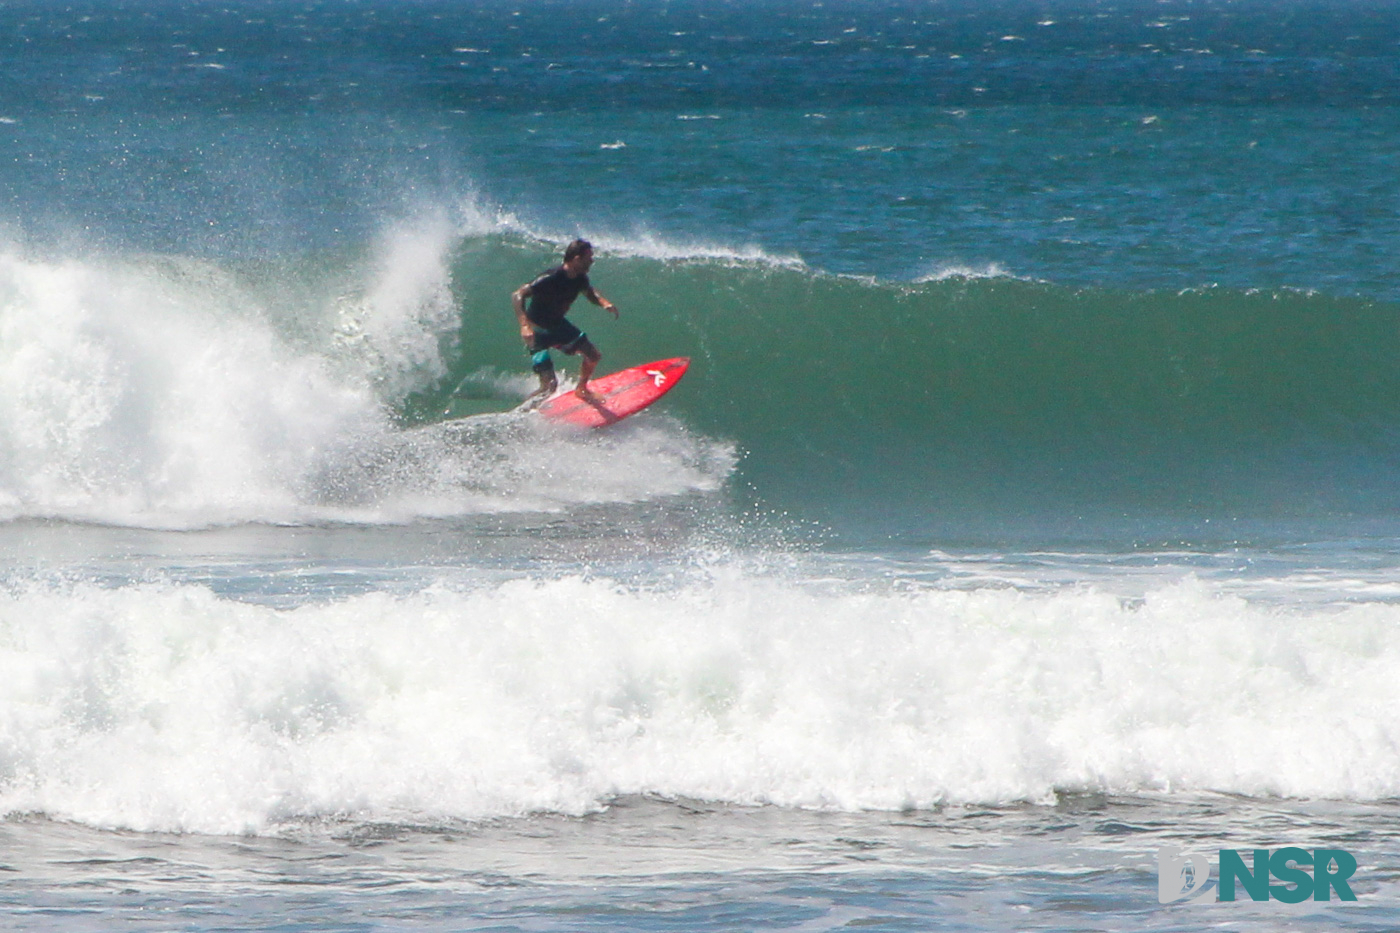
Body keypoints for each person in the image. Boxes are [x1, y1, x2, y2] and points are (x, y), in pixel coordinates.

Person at [512, 239, 618, 405]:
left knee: (593, 356)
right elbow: (518, 295)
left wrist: (604, 303)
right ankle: (524, 411)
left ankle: (582, 389)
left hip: (558, 326)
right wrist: (524, 326)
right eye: (588, 257)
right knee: (549, 386)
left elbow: (590, 293)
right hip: (537, 332)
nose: (592, 261)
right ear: (577, 259)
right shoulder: (551, 277)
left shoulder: (580, 279)